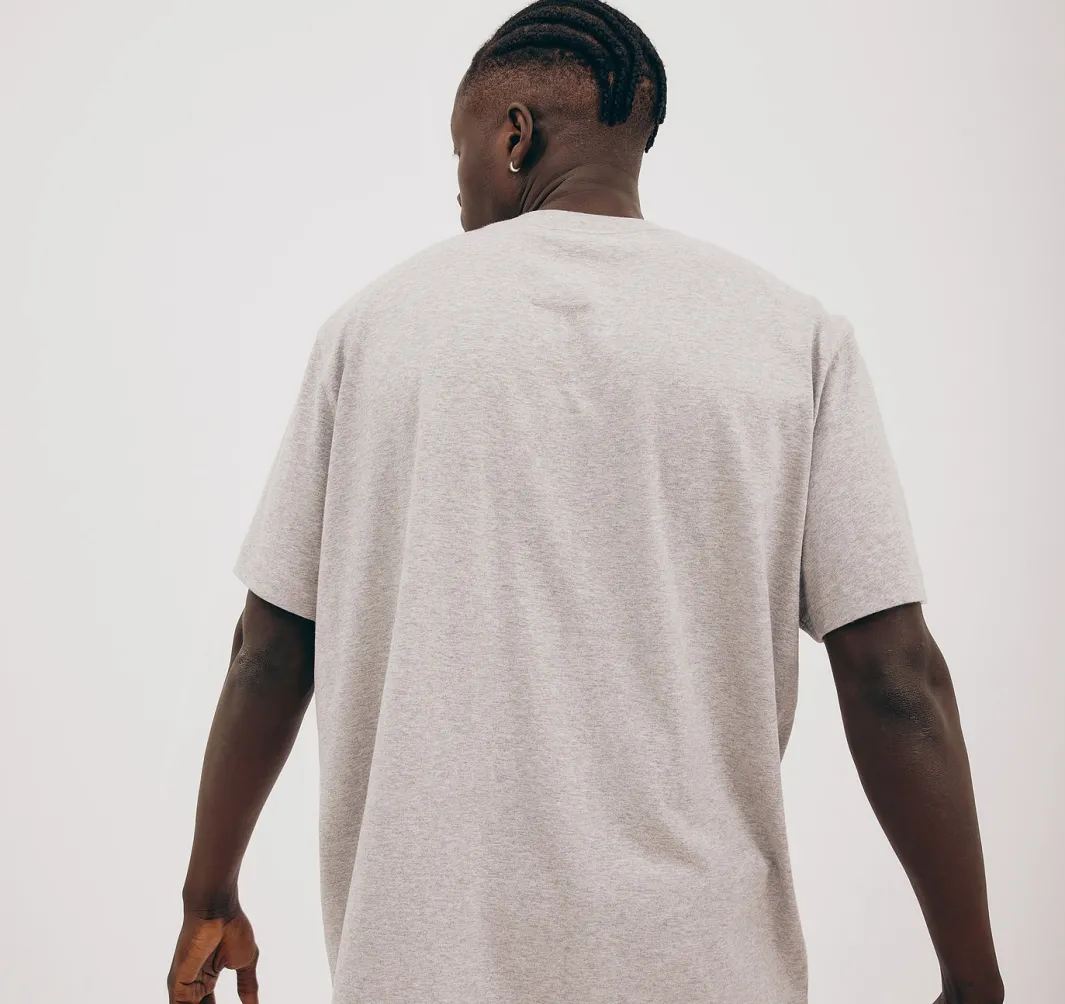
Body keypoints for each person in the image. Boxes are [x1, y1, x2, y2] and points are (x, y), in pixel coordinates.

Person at [166, 2, 1005, 1002]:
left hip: (423, 964)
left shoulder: (374, 331)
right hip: (704, 967)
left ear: (513, 136)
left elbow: (268, 652)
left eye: (459, 155)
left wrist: (209, 891)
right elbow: (894, 677)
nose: (460, 192)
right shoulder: (794, 340)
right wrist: (972, 978)